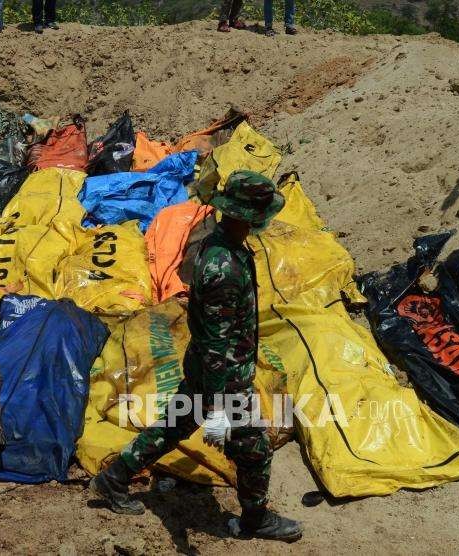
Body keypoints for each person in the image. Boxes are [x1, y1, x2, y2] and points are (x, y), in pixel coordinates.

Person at [89, 170, 304, 543]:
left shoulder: (222, 243)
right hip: (223, 378)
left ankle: (114, 478)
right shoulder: (224, 269)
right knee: (254, 450)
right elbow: (217, 347)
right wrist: (222, 410)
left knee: (175, 425)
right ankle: (256, 519)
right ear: (247, 216)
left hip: (208, 371)